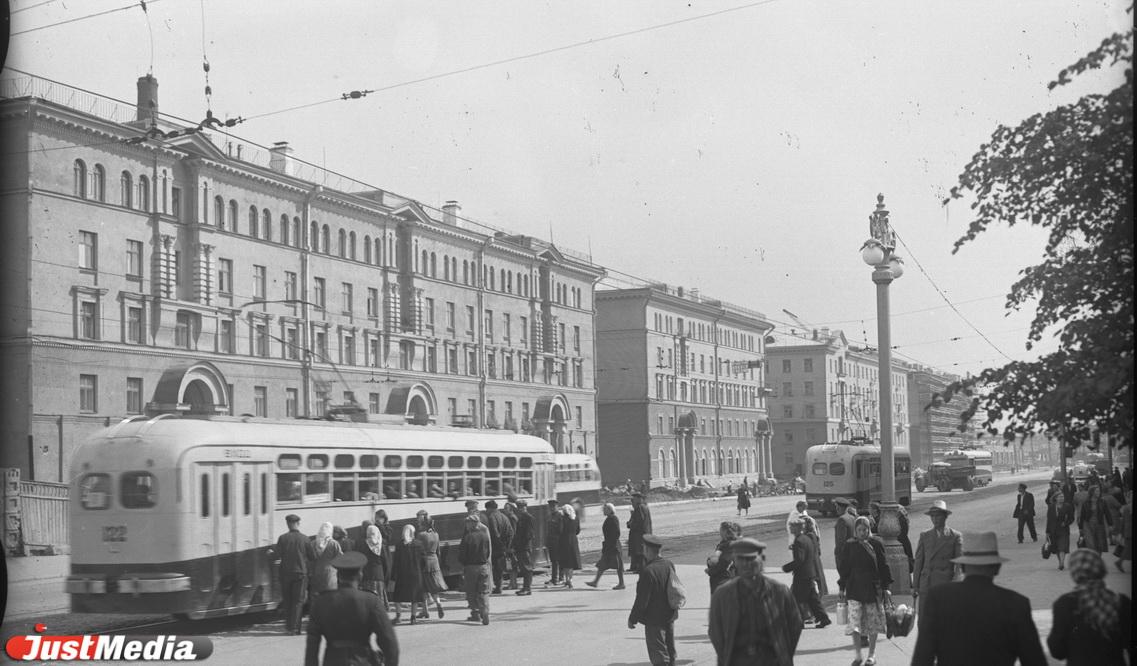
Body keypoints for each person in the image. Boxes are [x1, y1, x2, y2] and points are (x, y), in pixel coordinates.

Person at [912, 531, 1047, 666]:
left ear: (963, 567)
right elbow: (1034, 660)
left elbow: (922, 657)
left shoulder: (938, 598)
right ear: (997, 568)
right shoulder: (1016, 604)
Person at [708, 537, 802, 666]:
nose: (746, 564)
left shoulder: (779, 592)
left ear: (762, 560)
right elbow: (715, 633)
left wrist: (783, 653)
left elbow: (794, 625)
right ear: (734, 562)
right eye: (741, 559)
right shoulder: (722, 595)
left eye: (751, 558)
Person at [305, 551, 400, 666]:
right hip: (363, 661)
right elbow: (390, 643)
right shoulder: (371, 601)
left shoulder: (320, 602)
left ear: (338, 576)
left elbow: (312, 647)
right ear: (360, 575)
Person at [1046, 548, 1133, 665]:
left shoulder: (1065, 604)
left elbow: (1057, 650)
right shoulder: (1121, 602)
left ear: (1074, 573)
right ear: (1101, 569)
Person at [837, 516, 892, 666]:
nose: (862, 532)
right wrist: (842, 586)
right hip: (854, 588)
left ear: (869, 530)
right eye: (859, 530)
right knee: (854, 623)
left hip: (872, 589)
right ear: (855, 530)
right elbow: (844, 568)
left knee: (872, 622)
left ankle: (872, 655)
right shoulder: (849, 545)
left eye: (865, 529)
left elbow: (883, 566)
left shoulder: (876, 543)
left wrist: (886, 587)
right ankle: (858, 655)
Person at [628, 534, 679, 666]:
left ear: (647, 550)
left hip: (654, 619)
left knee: (659, 655)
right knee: (670, 650)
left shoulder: (648, 571)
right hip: (669, 614)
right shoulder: (669, 564)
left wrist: (633, 619)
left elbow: (642, 600)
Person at [911, 499, 962, 615]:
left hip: (944, 583)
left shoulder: (955, 536)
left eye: (938, 516)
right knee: (924, 619)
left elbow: (959, 563)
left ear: (945, 517)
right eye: (932, 516)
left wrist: (956, 581)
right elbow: (918, 562)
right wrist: (915, 586)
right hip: (926, 583)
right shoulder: (925, 535)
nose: (934, 519)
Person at [268, 513, 317, 635]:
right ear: (298, 524)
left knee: (288, 600)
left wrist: (270, 553)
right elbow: (313, 556)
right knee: (298, 601)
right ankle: (295, 628)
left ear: (288, 524)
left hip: (285, 574)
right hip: (301, 574)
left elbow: (276, 556)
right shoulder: (305, 539)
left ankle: (289, 627)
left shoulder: (283, 538)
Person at [784, 519, 831, 629]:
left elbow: (800, 559)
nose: (790, 528)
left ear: (798, 528)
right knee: (813, 599)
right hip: (809, 573)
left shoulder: (799, 540)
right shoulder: (807, 538)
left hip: (802, 575)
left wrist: (787, 567)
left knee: (795, 599)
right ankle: (824, 618)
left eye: (792, 526)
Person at [458, 514, 492, 625]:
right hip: (483, 566)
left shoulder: (468, 537)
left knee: (471, 591)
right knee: (483, 590)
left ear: (472, 524)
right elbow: (487, 553)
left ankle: (476, 613)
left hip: (471, 567)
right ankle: (485, 610)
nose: (466, 525)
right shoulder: (484, 536)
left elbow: (462, 554)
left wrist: (463, 564)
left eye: (467, 523)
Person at [388, 524, 425, 624]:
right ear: (412, 533)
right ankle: (413, 617)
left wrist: (393, 576)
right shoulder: (419, 544)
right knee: (415, 597)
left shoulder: (399, 545)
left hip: (402, 574)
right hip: (416, 574)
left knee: (397, 596)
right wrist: (421, 571)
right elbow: (424, 560)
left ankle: (398, 616)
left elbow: (396, 562)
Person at [587, 503, 626, 589]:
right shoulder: (609, 519)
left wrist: (612, 543)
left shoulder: (613, 519)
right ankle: (595, 581)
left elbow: (617, 533)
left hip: (613, 545)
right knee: (603, 563)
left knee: (618, 564)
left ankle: (621, 583)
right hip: (609, 545)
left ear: (609, 510)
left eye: (605, 509)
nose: (603, 511)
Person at [416, 517, 447, 619]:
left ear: (424, 524)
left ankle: (425, 610)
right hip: (434, 561)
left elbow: (417, 550)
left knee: (423, 587)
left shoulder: (421, 535)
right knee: (433, 586)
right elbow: (438, 551)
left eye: (420, 523)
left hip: (424, 562)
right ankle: (436, 604)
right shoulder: (436, 534)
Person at [484, 500, 514, 594]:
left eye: (487, 509)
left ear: (490, 508)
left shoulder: (492, 517)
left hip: (496, 546)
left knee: (495, 567)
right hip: (504, 546)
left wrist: (500, 545)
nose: (486, 511)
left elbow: (494, 533)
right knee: (499, 568)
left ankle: (497, 587)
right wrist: (507, 545)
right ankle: (499, 586)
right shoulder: (504, 516)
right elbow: (511, 532)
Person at [705, 521, 742, 595]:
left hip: (725, 579)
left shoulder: (728, 545)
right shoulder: (727, 543)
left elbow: (724, 564)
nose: (719, 531)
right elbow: (718, 558)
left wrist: (710, 570)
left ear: (724, 532)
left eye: (720, 529)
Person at [358, 522, 389, 610]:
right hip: (379, 576)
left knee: (368, 603)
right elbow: (386, 563)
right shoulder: (381, 546)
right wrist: (385, 577)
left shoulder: (362, 545)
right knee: (379, 603)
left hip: (366, 576)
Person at [310, 521, 343, 599]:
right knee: (330, 597)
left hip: (316, 573)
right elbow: (341, 558)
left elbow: (309, 559)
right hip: (330, 574)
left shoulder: (313, 543)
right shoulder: (334, 544)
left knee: (317, 597)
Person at [1046, 489, 1076, 570]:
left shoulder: (1068, 506)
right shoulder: (1051, 507)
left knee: (1062, 547)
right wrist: (1047, 532)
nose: (1062, 498)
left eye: (1062, 497)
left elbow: (1071, 518)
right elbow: (1049, 520)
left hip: (1064, 530)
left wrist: (1066, 523)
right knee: (1056, 548)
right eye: (1060, 497)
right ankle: (1060, 562)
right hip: (1053, 530)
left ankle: (1062, 563)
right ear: (1056, 498)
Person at [1078, 484, 1113, 552]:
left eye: (1099, 491)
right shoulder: (1086, 502)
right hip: (1087, 525)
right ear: (1092, 492)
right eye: (1096, 491)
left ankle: (1097, 559)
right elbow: (1082, 516)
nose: (1098, 492)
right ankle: (1093, 558)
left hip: (1099, 524)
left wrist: (1110, 524)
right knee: (1091, 544)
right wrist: (1080, 528)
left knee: (1099, 544)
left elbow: (1107, 513)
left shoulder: (1103, 501)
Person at [512, 498, 536, 595]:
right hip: (521, 547)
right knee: (523, 567)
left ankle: (527, 588)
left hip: (525, 547)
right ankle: (525, 587)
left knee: (527, 568)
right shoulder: (521, 517)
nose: (520, 509)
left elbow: (529, 534)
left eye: (522, 507)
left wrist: (520, 544)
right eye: (519, 507)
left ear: (525, 507)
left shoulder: (528, 518)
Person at [627, 492, 654, 574]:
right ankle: (635, 566)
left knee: (639, 551)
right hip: (643, 532)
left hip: (640, 533)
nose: (632, 502)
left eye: (633, 499)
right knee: (637, 550)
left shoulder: (640, 508)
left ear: (638, 499)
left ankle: (640, 568)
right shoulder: (643, 507)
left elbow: (639, 522)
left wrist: (630, 524)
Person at [559, 502, 582, 588]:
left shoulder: (563, 519)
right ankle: (570, 579)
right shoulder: (576, 518)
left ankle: (567, 579)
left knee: (565, 561)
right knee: (572, 561)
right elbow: (578, 531)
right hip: (573, 541)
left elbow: (560, 530)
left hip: (564, 541)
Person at [833, 497, 858, 572]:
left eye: (837, 507)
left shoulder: (842, 519)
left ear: (839, 507)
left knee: (844, 578)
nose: (836, 509)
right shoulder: (852, 517)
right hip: (852, 553)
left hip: (844, 555)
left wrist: (838, 554)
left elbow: (841, 541)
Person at [545, 499, 563, 586]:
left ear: (557, 507)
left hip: (558, 541)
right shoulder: (549, 516)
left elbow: (561, 530)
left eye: (553, 506)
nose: (551, 508)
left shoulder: (560, 516)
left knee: (558, 560)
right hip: (551, 541)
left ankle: (560, 578)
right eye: (550, 507)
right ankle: (554, 578)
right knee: (553, 561)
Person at [1117, 490, 1132, 573]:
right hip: (1129, 531)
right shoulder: (1127, 508)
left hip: (1127, 531)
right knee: (1127, 549)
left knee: (1127, 548)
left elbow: (1123, 522)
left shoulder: (1126, 508)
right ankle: (1119, 562)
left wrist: (1121, 533)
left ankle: (1119, 562)